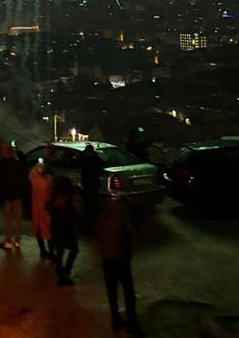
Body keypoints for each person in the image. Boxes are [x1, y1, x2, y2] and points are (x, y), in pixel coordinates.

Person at [96, 198, 143, 335]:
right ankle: (131, 324)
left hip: (107, 260)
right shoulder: (124, 214)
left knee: (112, 291)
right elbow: (134, 235)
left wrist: (103, 252)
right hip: (122, 259)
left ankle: (115, 319)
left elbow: (97, 235)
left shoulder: (104, 215)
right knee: (128, 292)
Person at [48, 175, 82, 286]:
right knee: (73, 250)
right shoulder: (67, 199)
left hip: (56, 229)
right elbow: (74, 214)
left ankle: (61, 274)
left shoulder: (55, 196)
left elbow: (47, 208)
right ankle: (65, 272)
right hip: (66, 230)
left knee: (60, 253)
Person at [0, 144, 25, 250]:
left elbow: (0, 181)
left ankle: (8, 241)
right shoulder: (18, 163)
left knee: (8, 220)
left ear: (5, 152)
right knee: (18, 219)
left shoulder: (1, 164)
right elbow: (23, 179)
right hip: (17, 195)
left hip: (7, 196)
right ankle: (17, 241)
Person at [29, 161, 54, 261]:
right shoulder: (40, 180)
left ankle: (45, 250)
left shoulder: (38, 178)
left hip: (42, 207)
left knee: (44, 229)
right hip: (42, 208)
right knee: (46, 229)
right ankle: (47, 251)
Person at [80, 143, 103, 227]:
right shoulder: (95, 158)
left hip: (87, 182)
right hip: (94, 182)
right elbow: (102, 163)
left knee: (87, 200)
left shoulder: (83, 157)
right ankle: (93, 216)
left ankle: (88, 217)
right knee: (93, 200)